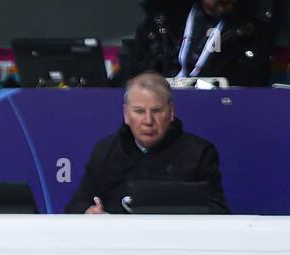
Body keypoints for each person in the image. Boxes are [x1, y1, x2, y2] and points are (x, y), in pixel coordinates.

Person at [65, 71, 229, 214]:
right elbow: (76, 205)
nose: (148, 121)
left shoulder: (199, 152)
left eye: (157, 111)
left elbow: (218, 212)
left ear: (171, 113)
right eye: (139, 111)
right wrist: (88, 212)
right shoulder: (106, 151)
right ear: (126, 114)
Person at [132, 0, 274, 87]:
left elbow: (251, 84)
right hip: (161, 104)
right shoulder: (162, 23)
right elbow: (135, 74)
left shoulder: (251, 32)